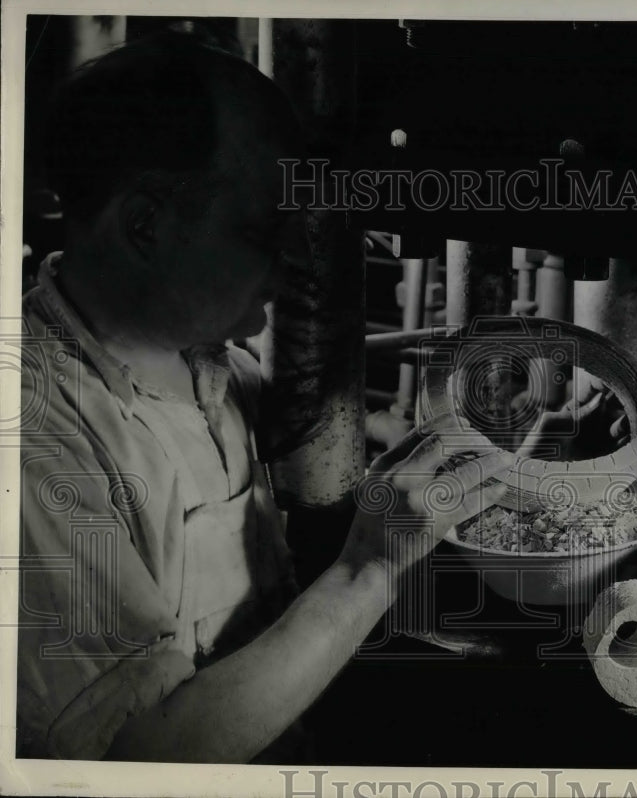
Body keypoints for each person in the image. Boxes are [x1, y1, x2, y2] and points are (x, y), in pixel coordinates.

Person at [17, 31, 502, 763]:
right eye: (264, 229)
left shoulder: (213, 364)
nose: (298, 262)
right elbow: (143, 762)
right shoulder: (32, 438)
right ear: (147, 225)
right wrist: (369, 568)